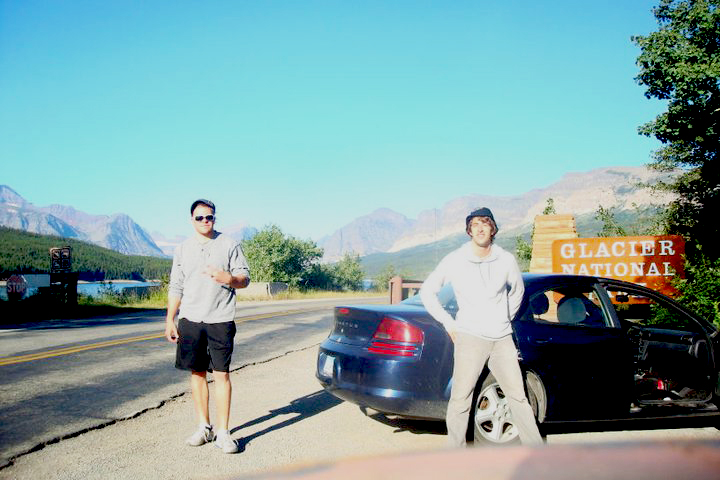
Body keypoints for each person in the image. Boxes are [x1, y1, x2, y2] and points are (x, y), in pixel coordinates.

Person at [420, 207, 543, 447]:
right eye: (475, 224)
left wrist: (504, 317)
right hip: (470, 336)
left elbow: (517, 291)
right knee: (460, 399)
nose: (480, 228)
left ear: (492, 228)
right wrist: (449, 323)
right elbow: (428, 291)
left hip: (502, 339)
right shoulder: (456, 259)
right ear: (469, 229)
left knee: (518, 396)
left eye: (485, 223)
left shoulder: (505, 259)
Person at [165, 199, 251, 454]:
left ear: (215, 218)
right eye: (200, 217)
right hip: (190, 320)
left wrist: (230, 279)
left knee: (222, 374)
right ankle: (204, 427)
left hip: (220, 319)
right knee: (197, 373)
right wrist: (170, 318)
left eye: (210, 217)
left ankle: (224, 433)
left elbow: (244, 279)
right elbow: (176, 286)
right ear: (192, 220)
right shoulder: (182, 249)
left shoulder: (229, 244)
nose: (206, 221)